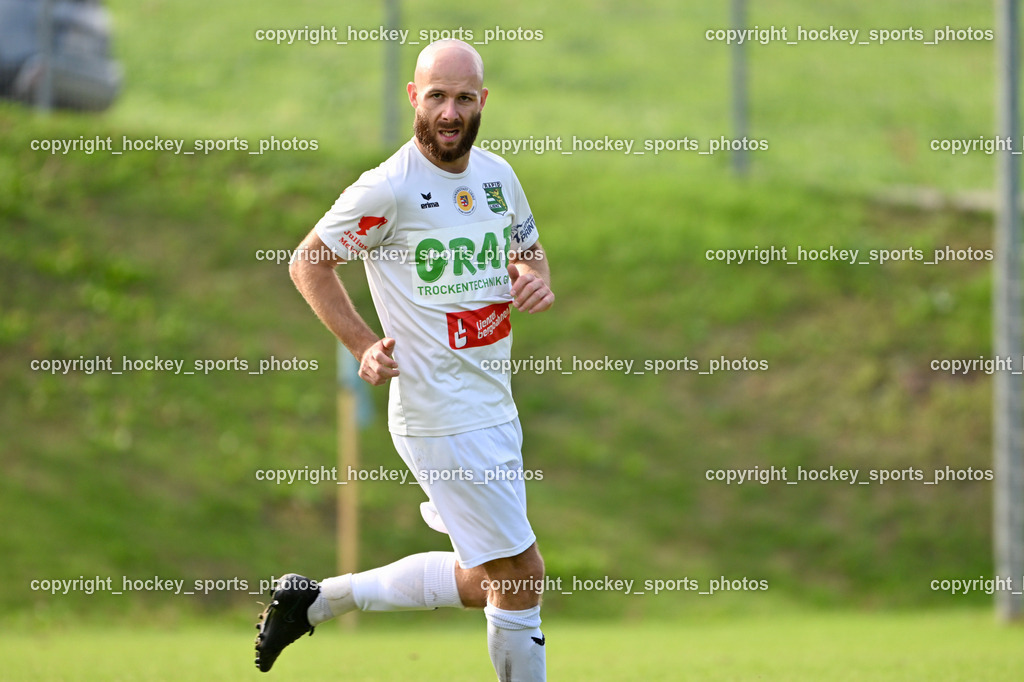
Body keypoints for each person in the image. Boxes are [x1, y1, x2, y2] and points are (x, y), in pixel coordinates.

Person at [254, 39, 554, 682]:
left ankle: (315, 602)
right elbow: (308, 262)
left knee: (486, 580)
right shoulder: (388, 189)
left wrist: (532, 277)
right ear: (414, 97)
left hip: (493, 407)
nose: (450, 111)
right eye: (438, 96)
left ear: (482, 102)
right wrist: (363, 344)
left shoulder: (498, 179)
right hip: (440, 412)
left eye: (464, 98)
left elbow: (529, 250)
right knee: (522, 575)